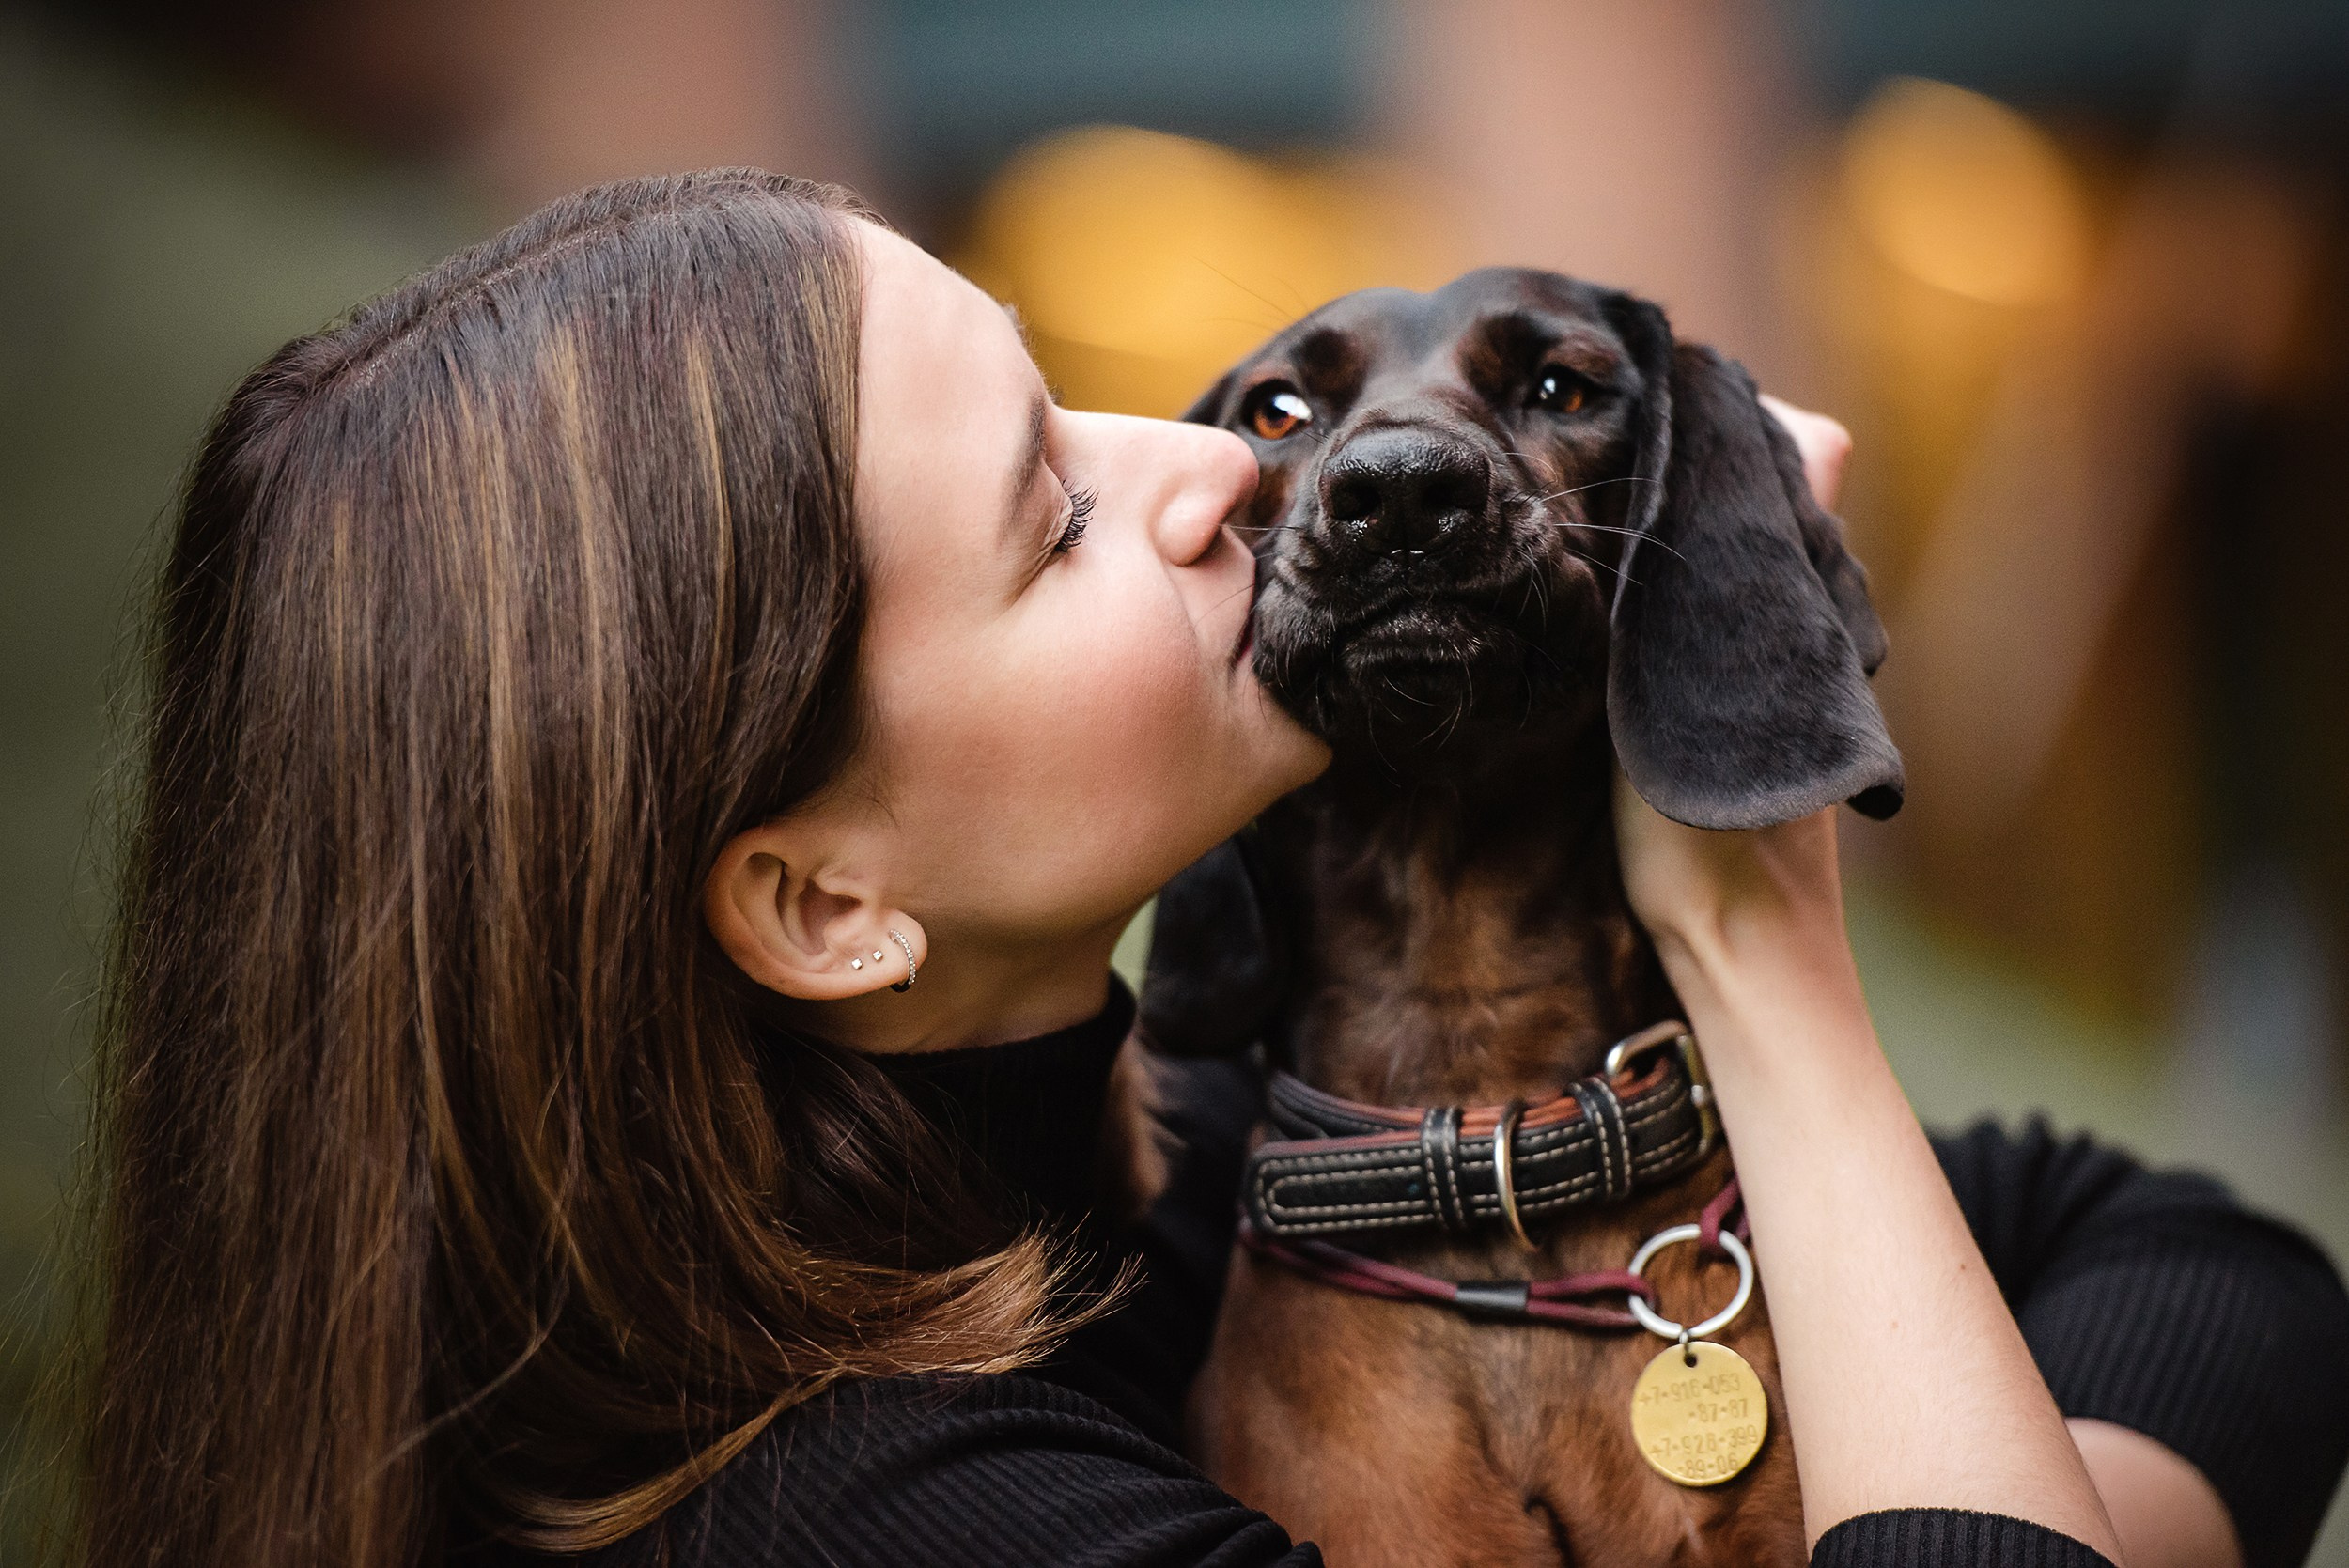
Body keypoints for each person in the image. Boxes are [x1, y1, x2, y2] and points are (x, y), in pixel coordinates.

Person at [59, 170, 2348, 1568]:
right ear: (823, 900)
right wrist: (1764, 960)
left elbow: (2205, 1265)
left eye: (1086, 399)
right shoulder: (871, 1519)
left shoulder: (1215, 1175)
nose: (1232, 480)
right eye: (1049, 520)